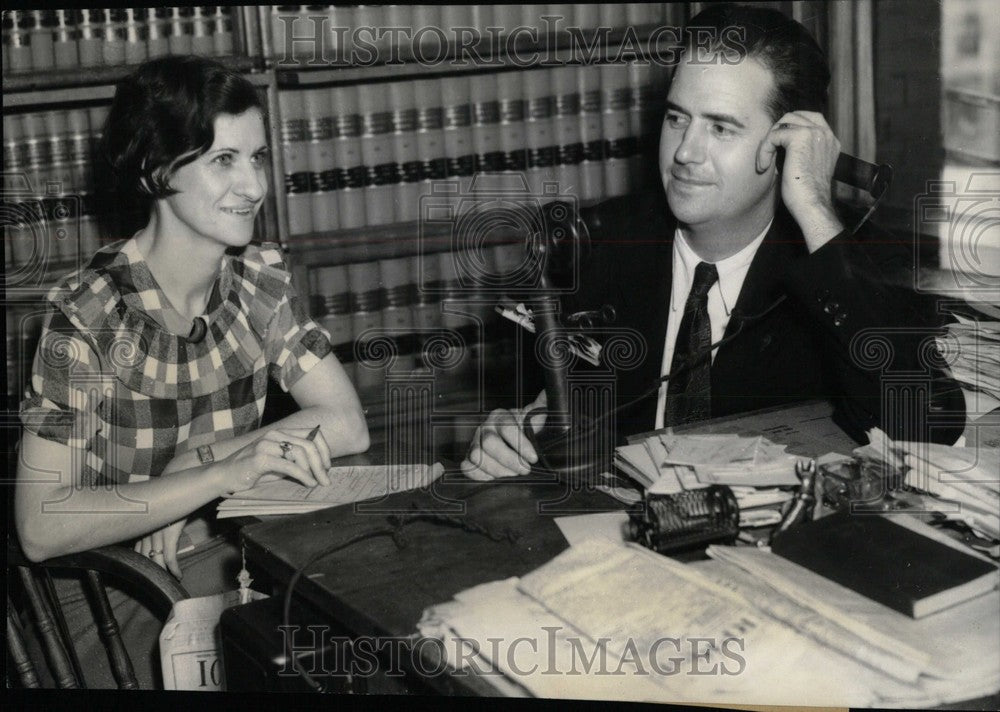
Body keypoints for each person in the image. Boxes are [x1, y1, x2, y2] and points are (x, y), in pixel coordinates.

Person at [462, 3, 965, 480]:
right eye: (677, 118)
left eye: (721, 128)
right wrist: (517, 431)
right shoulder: (596, 244)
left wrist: (814, 205)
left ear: (789, 144)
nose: (684, 152)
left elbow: (926, 430)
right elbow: (559, 414)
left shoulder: (850, 263)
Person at [14, 55, 369, 686]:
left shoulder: (258, 283)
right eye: (222, 160)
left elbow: (346, 425)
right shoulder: (90, 319)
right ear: (156, 171)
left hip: (222, 563)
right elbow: (41, 526)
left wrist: (198, 460)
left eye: (256, 157)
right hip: (114, 602)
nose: (254, 186)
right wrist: (222, 473)